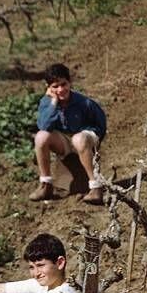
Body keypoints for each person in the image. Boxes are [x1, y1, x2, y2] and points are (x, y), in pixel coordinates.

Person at [30, 63, 107, 205]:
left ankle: (96, 187)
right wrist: (53, 102)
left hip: (85, 138)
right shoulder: (46, 103)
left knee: (79, 139)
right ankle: (46, 185)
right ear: (49, 88)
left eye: (63, 84)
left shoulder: (84, 102)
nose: (60, 89)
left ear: (69, 82)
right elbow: (44, 126)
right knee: (41, 137)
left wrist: (93, 144)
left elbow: (101, 125)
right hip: (66, 141)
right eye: (55, 86)